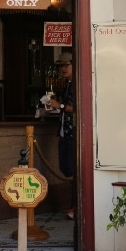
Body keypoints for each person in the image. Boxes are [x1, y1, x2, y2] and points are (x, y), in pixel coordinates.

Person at [47, 51, 75, 218]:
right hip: (65, 132)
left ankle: (75, 207)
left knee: (72, 171)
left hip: (73, 134)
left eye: (66, 65)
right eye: (61, 66)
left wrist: (61, 106)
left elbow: (79, 107)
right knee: (65, 169)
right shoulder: (67, 84)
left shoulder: (77, 83)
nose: (63, 69)